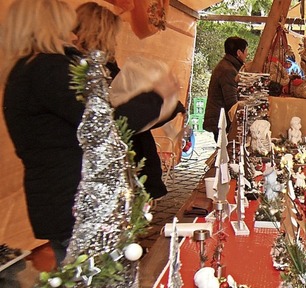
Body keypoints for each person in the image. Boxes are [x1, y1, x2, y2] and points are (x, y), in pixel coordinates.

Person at [1, 0, 178, 266]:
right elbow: (105, 126)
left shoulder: (26, 70)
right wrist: (157, 96)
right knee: (97, 275)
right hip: (78, 203)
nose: (72, 30)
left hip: (60, 200)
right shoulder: (48, 70)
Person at [73, 2, 184, 200]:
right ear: (101, 34)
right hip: (116, 178)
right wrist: (157, 96)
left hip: (128, 171)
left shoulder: (103, 70)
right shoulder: (87, 75)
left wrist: (167, 105)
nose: (115, 43)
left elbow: (134, 120)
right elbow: (118, 123)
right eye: (112, 36)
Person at [203, 36, 248, 139]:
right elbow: (232, 102)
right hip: (221, 120)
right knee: (225, 151)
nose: (247, 54)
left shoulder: (226, 66)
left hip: (220, 119)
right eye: (245, 51)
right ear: (239, 53)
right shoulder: (228, 70)